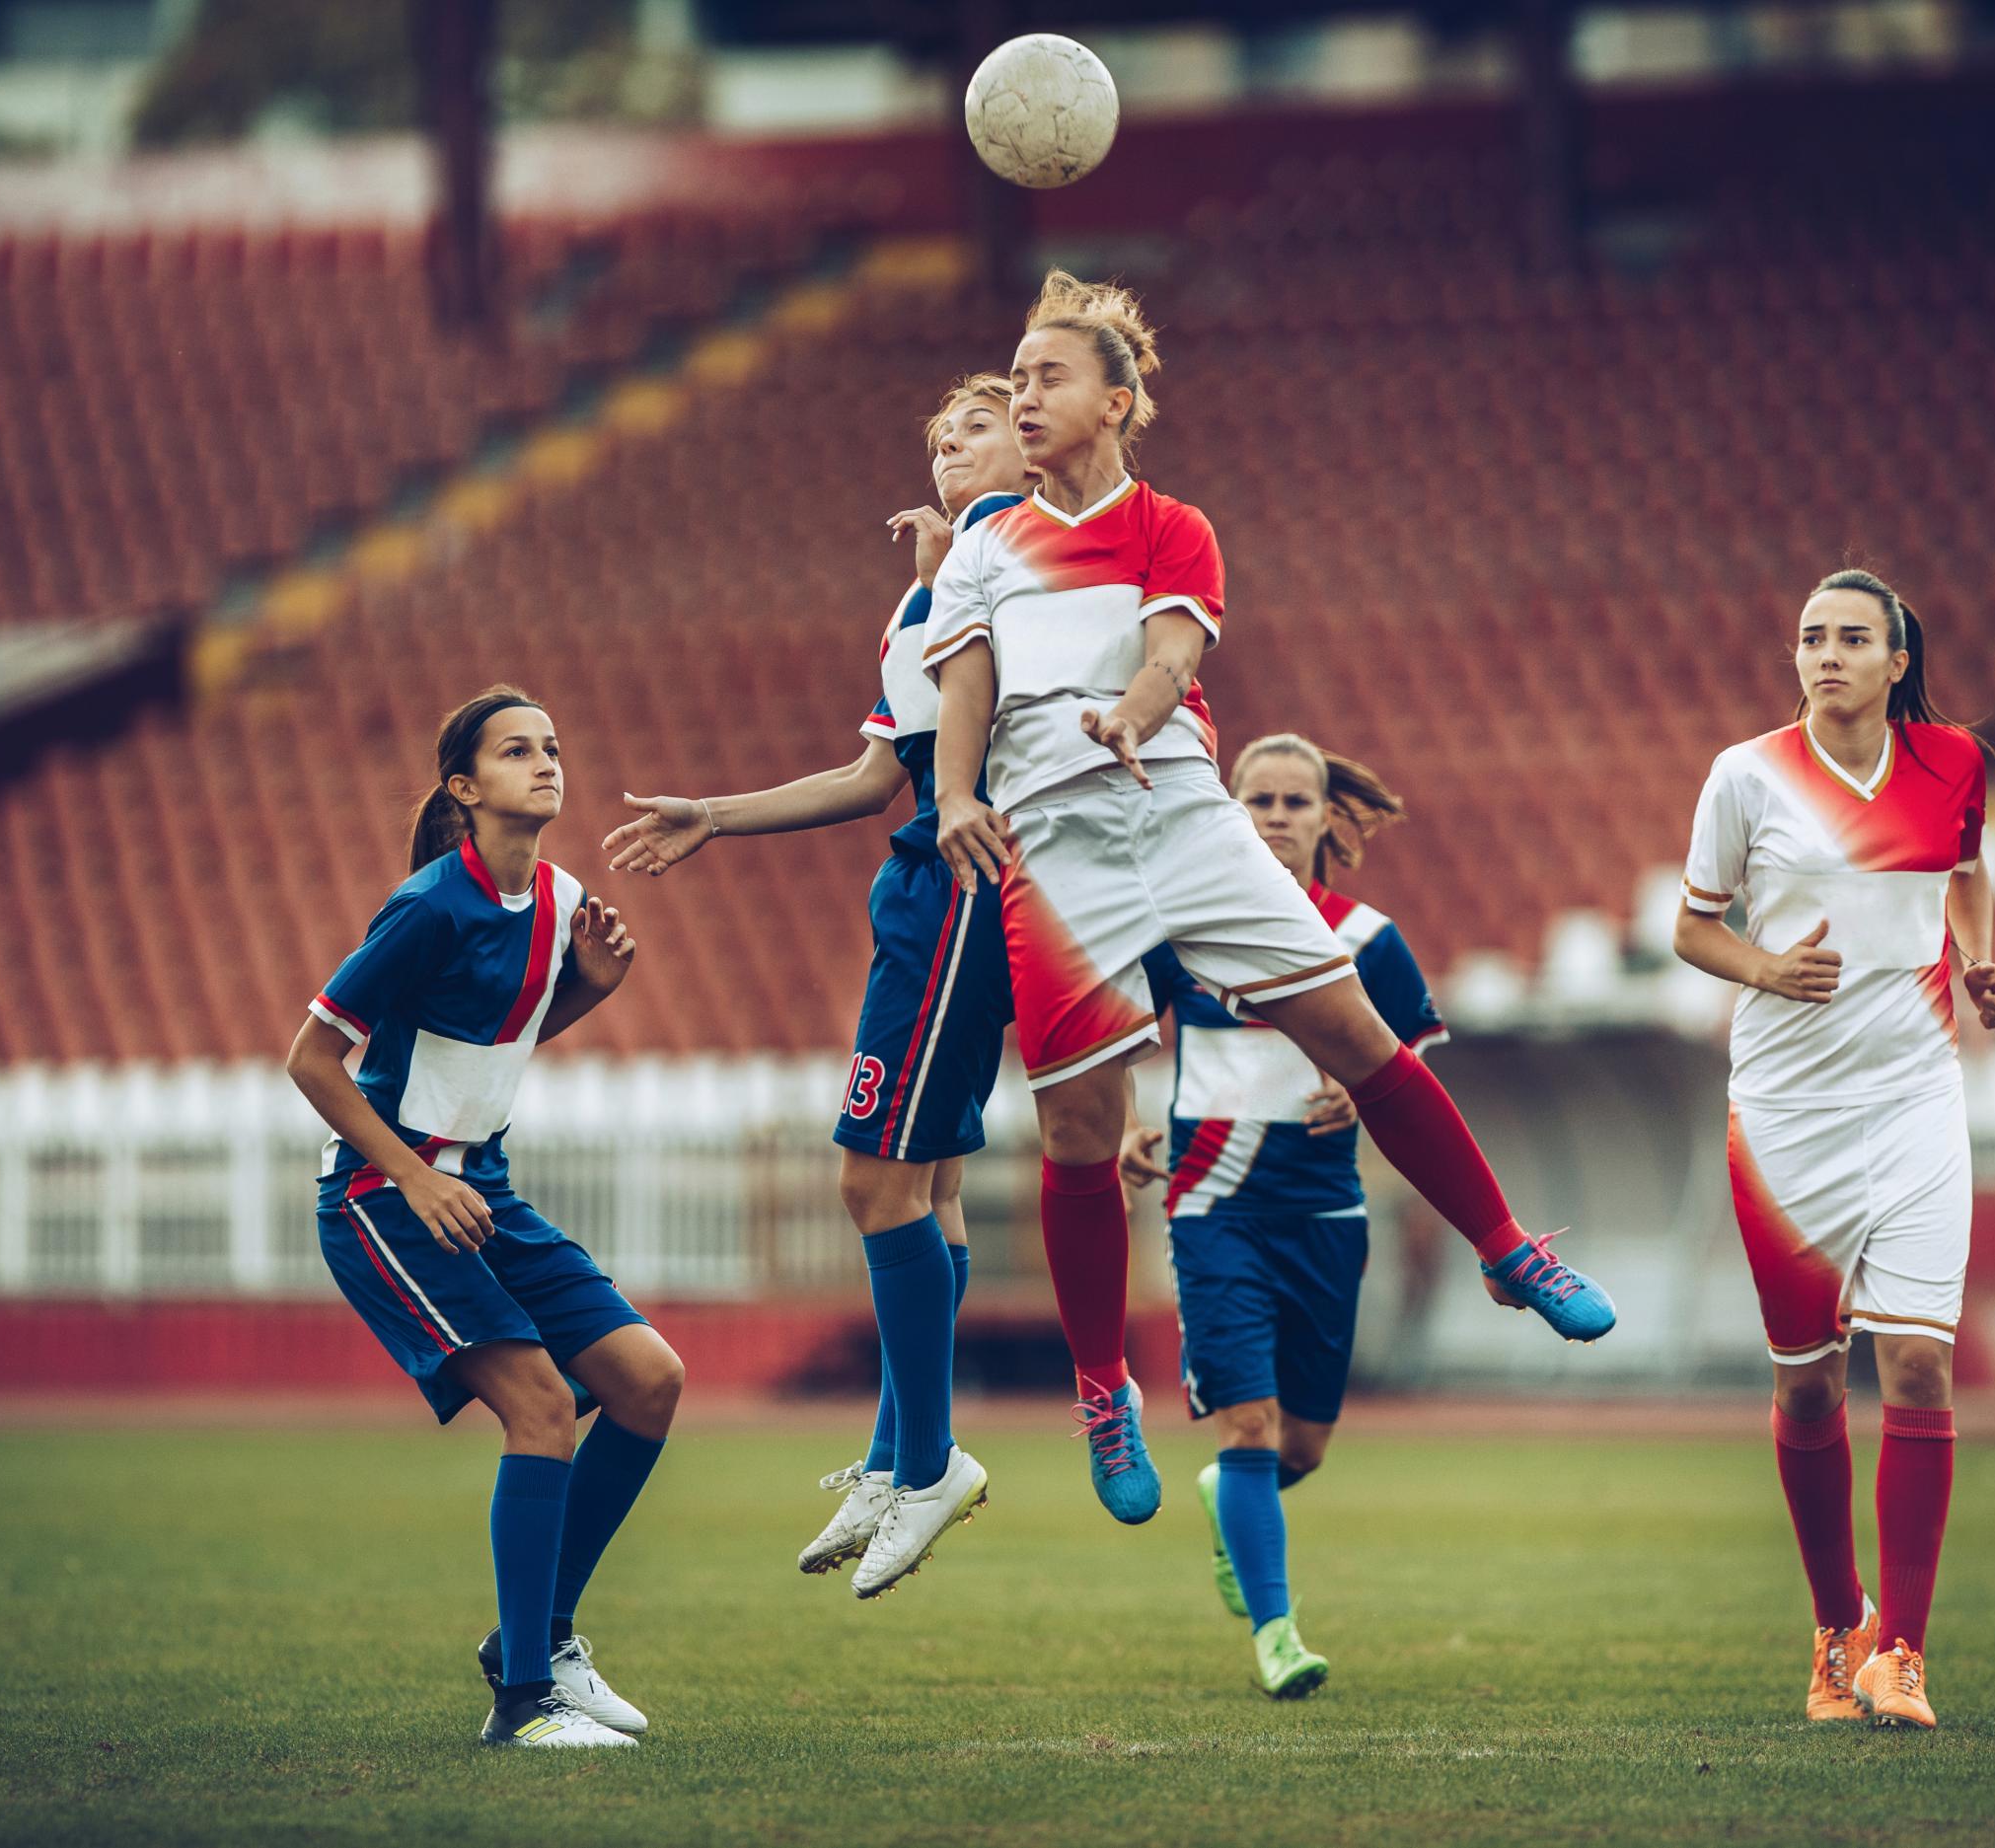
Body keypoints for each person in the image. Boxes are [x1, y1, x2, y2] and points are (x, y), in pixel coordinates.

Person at [924, 271, 1616, 1528]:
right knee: (1080, 1136)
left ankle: (1508, 1248)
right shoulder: (982, 545)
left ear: (1118, 400)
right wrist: (956, 793)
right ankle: (1102, 1393)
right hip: (1055, 847)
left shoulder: (1171, 526)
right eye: (1013, 379)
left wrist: (1126, 718)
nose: (1023, 395)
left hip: (1184, 814)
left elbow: (1170, 659)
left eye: (1048, 376)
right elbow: (963, 687)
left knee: (1358, 1036)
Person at [601, 376, 1027, 1597]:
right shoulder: (940, 583)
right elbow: (874, 773)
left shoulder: (1022, 558)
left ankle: (931, 1462)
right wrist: (715, 816)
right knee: (929, 1184)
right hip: (922, 881)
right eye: (938, 432)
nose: (951, 442)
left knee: (867, 1177)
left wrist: (962, 566)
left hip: (960, 882)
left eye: (981, 423)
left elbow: (975, 737)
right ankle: (902, 1454)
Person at [287, 686, 682, 1749]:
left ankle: (539, 1642)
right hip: (385, 1198)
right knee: (544, 1407)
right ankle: (522, 1703)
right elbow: (312, 1059)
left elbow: (493, 1045)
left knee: (647, 1382)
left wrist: (588, 991)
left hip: (483, 1190)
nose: (546, 761)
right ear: (466, 788)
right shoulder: (425, 906)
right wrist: (413, 1180)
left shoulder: (559, 900)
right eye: (517, 750)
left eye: (552, 745)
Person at [1672, 568, 1995, 1731]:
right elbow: (1691, 925)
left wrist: (1975, 961)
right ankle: (1836, 1626)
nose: (1825, 653)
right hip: (1785, 1117)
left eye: (1850, 637)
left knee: (1917, 1364)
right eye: (1811, 637)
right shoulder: (1745, 773)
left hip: (1917, 1096)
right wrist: (1765, 969)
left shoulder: (1953, 764)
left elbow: (1963, 869)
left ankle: (1903, 1654)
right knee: (1809, 1380)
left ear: (1896, 659)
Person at [1120, 733, 1444, 1699]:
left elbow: (1414, 1061)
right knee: (1249, 1427)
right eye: (1255, 799)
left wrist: (1372, 1086)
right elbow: (1109, 1028)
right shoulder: (1183, 928)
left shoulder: (1367, 938)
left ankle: (1233, 1501)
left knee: (1297, 1447)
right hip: (1213, 1210)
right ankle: (1277, 1636)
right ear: (1228, 812)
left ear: (1325, 819)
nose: (1273, 816)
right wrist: (1132, 1122)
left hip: (1327, 1215)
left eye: (1293, 802)